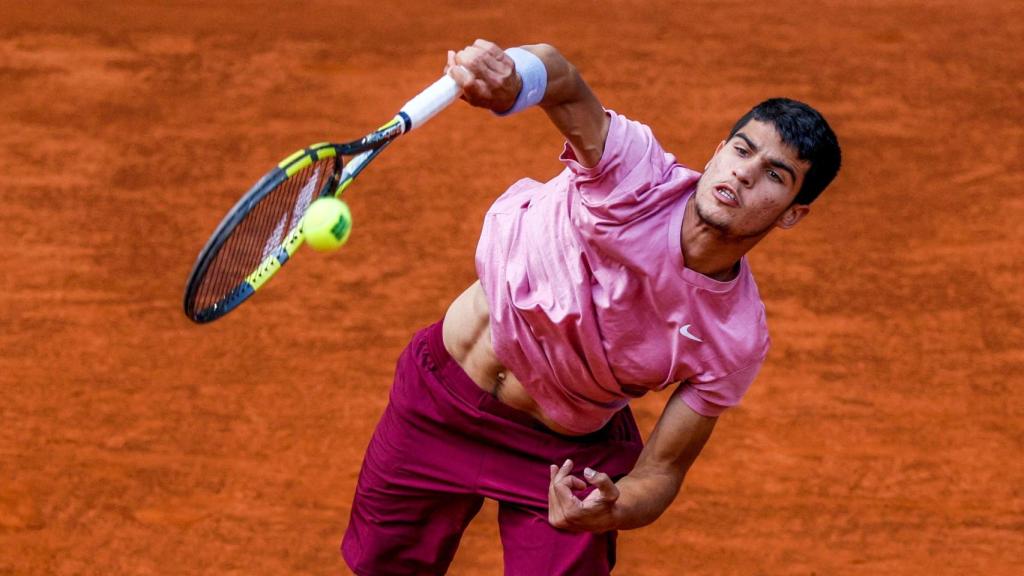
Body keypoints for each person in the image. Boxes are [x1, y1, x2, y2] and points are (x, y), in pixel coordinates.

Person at [341, 39, 841, 575]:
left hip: (561, 455)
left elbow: (661, 472)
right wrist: (514, 78)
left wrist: (614, 507)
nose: (744, 172)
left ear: (793, 213)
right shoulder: (634, 173)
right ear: (720, 150)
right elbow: (560, 78)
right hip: (439, 402)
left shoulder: (735, 336)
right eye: (742, 151)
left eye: (775, 174)